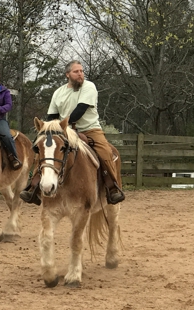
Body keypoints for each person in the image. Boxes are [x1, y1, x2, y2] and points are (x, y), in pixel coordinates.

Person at [20, 60, 125, 205]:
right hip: (62, 131)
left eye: (81, 71)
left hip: (90, 129)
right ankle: (34, 187)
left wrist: (62, 125)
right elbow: (51, 117)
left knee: (105, 152)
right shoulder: (58, 92)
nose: (80, 74)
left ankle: (112, 188)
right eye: (76, 72)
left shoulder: (89, 87)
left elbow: (80, 110)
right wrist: (52, 129)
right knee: (44, 152)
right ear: (67, 74)